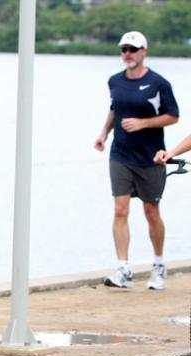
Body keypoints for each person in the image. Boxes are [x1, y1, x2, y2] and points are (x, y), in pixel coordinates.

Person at [93, 31, 179, 290]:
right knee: (120, 210)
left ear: (144, 51)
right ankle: (123, 269)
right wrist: (103, 134)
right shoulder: (114, 81)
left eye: (132, 49)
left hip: (151, 156)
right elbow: (114, 108)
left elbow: (173, 116)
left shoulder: (158, 83)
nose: (127, 54)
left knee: (151, 212)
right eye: (123, 49)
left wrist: (143, 123)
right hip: (120, 154)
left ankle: (158, 266)